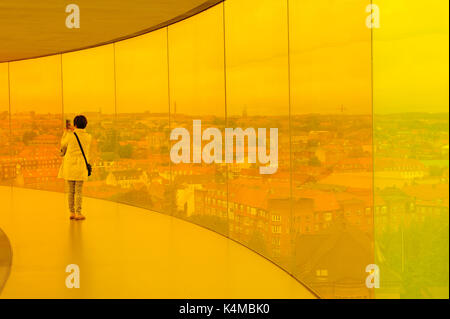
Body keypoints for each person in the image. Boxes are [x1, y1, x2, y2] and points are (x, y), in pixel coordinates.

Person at [58, 115, 92, 220]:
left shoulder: (70, 135)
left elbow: (63, 144)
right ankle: (78, 212)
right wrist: (74, 130)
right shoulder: (88, 137)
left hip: (69, 166)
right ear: (85, 124)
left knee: (70, 191)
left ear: (75, 124)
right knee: (78, 191)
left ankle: (71, 212)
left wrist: (66, 132)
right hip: (80, 166)